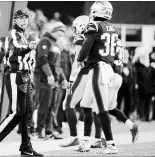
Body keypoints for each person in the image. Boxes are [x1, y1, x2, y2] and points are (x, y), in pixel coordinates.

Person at [0, 8, 43, 157]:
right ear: (15, 20)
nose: (24, 21)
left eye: (26, 18)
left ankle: (26, 147)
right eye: (21, 18)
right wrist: (29, 47)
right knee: (16, 112)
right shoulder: (13, 34)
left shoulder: (23, 34)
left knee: (26, 112)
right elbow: (17, 50)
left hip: (25, 76)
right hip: (15, 75)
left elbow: (26, 57)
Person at [74, 1, 122, 154]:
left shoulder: (94, 26)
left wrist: (80, 59)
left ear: (96, 11)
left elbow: (85, 49)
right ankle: (85, 142)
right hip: (105, 67)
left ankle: (111, 145)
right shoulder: (113, 28)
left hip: (98, 69)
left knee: (101, 109)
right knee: (86, 104)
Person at [60, 15, 91, 147]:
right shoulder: (93, 38)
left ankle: (74, 136)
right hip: (91, 75)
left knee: (67, 105)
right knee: (87, 106)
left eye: (75, 27)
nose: (73, 30)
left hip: (79, 75)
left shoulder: (80, 38)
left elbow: (80, 59)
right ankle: (87, 138)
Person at [34, 21, 67, 139]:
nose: (61, 35)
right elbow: (42, 59)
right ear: (53, 31)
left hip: (55, 80)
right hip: (43, 78)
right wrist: (49, 75)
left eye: (63, 33)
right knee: (44, 105)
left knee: (53, 106)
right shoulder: (44, 41)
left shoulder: (56, 44)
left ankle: (49, 130)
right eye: (60, 32)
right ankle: (39, 130)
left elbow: (57, 64)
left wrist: (63, 79)